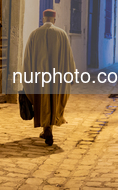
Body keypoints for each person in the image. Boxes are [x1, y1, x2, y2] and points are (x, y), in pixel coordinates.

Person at [22, 9, 76, 146]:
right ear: (54, 20)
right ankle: (48, 129)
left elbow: (27, 59)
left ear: (42, 19)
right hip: (57, 78)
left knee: (43, 102)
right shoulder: (62, 34)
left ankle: (47, 129)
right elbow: (69, 57)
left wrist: (26, 77)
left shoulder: (34, 34)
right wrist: (72, 75)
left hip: (40, 78)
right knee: (54, 101)